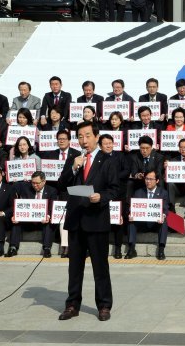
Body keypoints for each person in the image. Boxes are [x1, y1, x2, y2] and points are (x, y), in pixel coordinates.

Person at [58, 121, 119, 322]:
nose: (84, 141)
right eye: (80, 137)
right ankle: (72, 304)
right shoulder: (74, 159)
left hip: (96, 220)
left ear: (96, 136)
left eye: (87, 136)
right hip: (76, 220)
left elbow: (115, 189)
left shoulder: (107, 160)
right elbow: (62, 185)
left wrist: (101, 197)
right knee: (74, 267)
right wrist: (74, 168)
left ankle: (103, 305)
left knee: (100, 266)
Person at [8, 171, 58, 258]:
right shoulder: (26, 188)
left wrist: (48, 216)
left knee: (49, 223)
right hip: (28, 221)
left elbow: (52, 207)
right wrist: (16, 215)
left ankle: (47, 248)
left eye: (37, 183)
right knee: (16, 222)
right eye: (33, 183)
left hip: (43, 222)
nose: (35, 185)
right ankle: (13, 247)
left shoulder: (52, 191)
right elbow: (16, 193)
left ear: (44, 181)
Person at [99, 134, 130, 259]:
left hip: (118, 193)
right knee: (101, 221)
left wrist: (113, 177)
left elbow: (126, 171)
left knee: (119, 221)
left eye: (110, 143)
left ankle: (118, 247)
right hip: (102, 193)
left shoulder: (120, 156)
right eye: (105, 143)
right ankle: (101, 248)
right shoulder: (98, 157)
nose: (108, 145)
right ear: (100, 145)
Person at [126, 171, 169, 259]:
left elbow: (165, 209)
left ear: (157, 180)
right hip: (142, 222)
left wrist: (163, 216)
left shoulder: (163, 193)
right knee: (131, 222)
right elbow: (134, 207)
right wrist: (131, 213)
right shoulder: (138, 192)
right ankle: (131, 249)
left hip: (155, 223)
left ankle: (161, 249)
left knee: (164, 222)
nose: (148, 181)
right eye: (146, 179)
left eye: (151, 179)